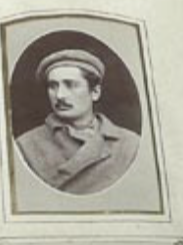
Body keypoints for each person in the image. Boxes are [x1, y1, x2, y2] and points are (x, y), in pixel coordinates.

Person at [15, 49, 139, 194]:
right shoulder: (25, 145)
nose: (60, 95)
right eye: (53, 86)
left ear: (95, 92)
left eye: (70, 85)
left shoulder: (129, 145)